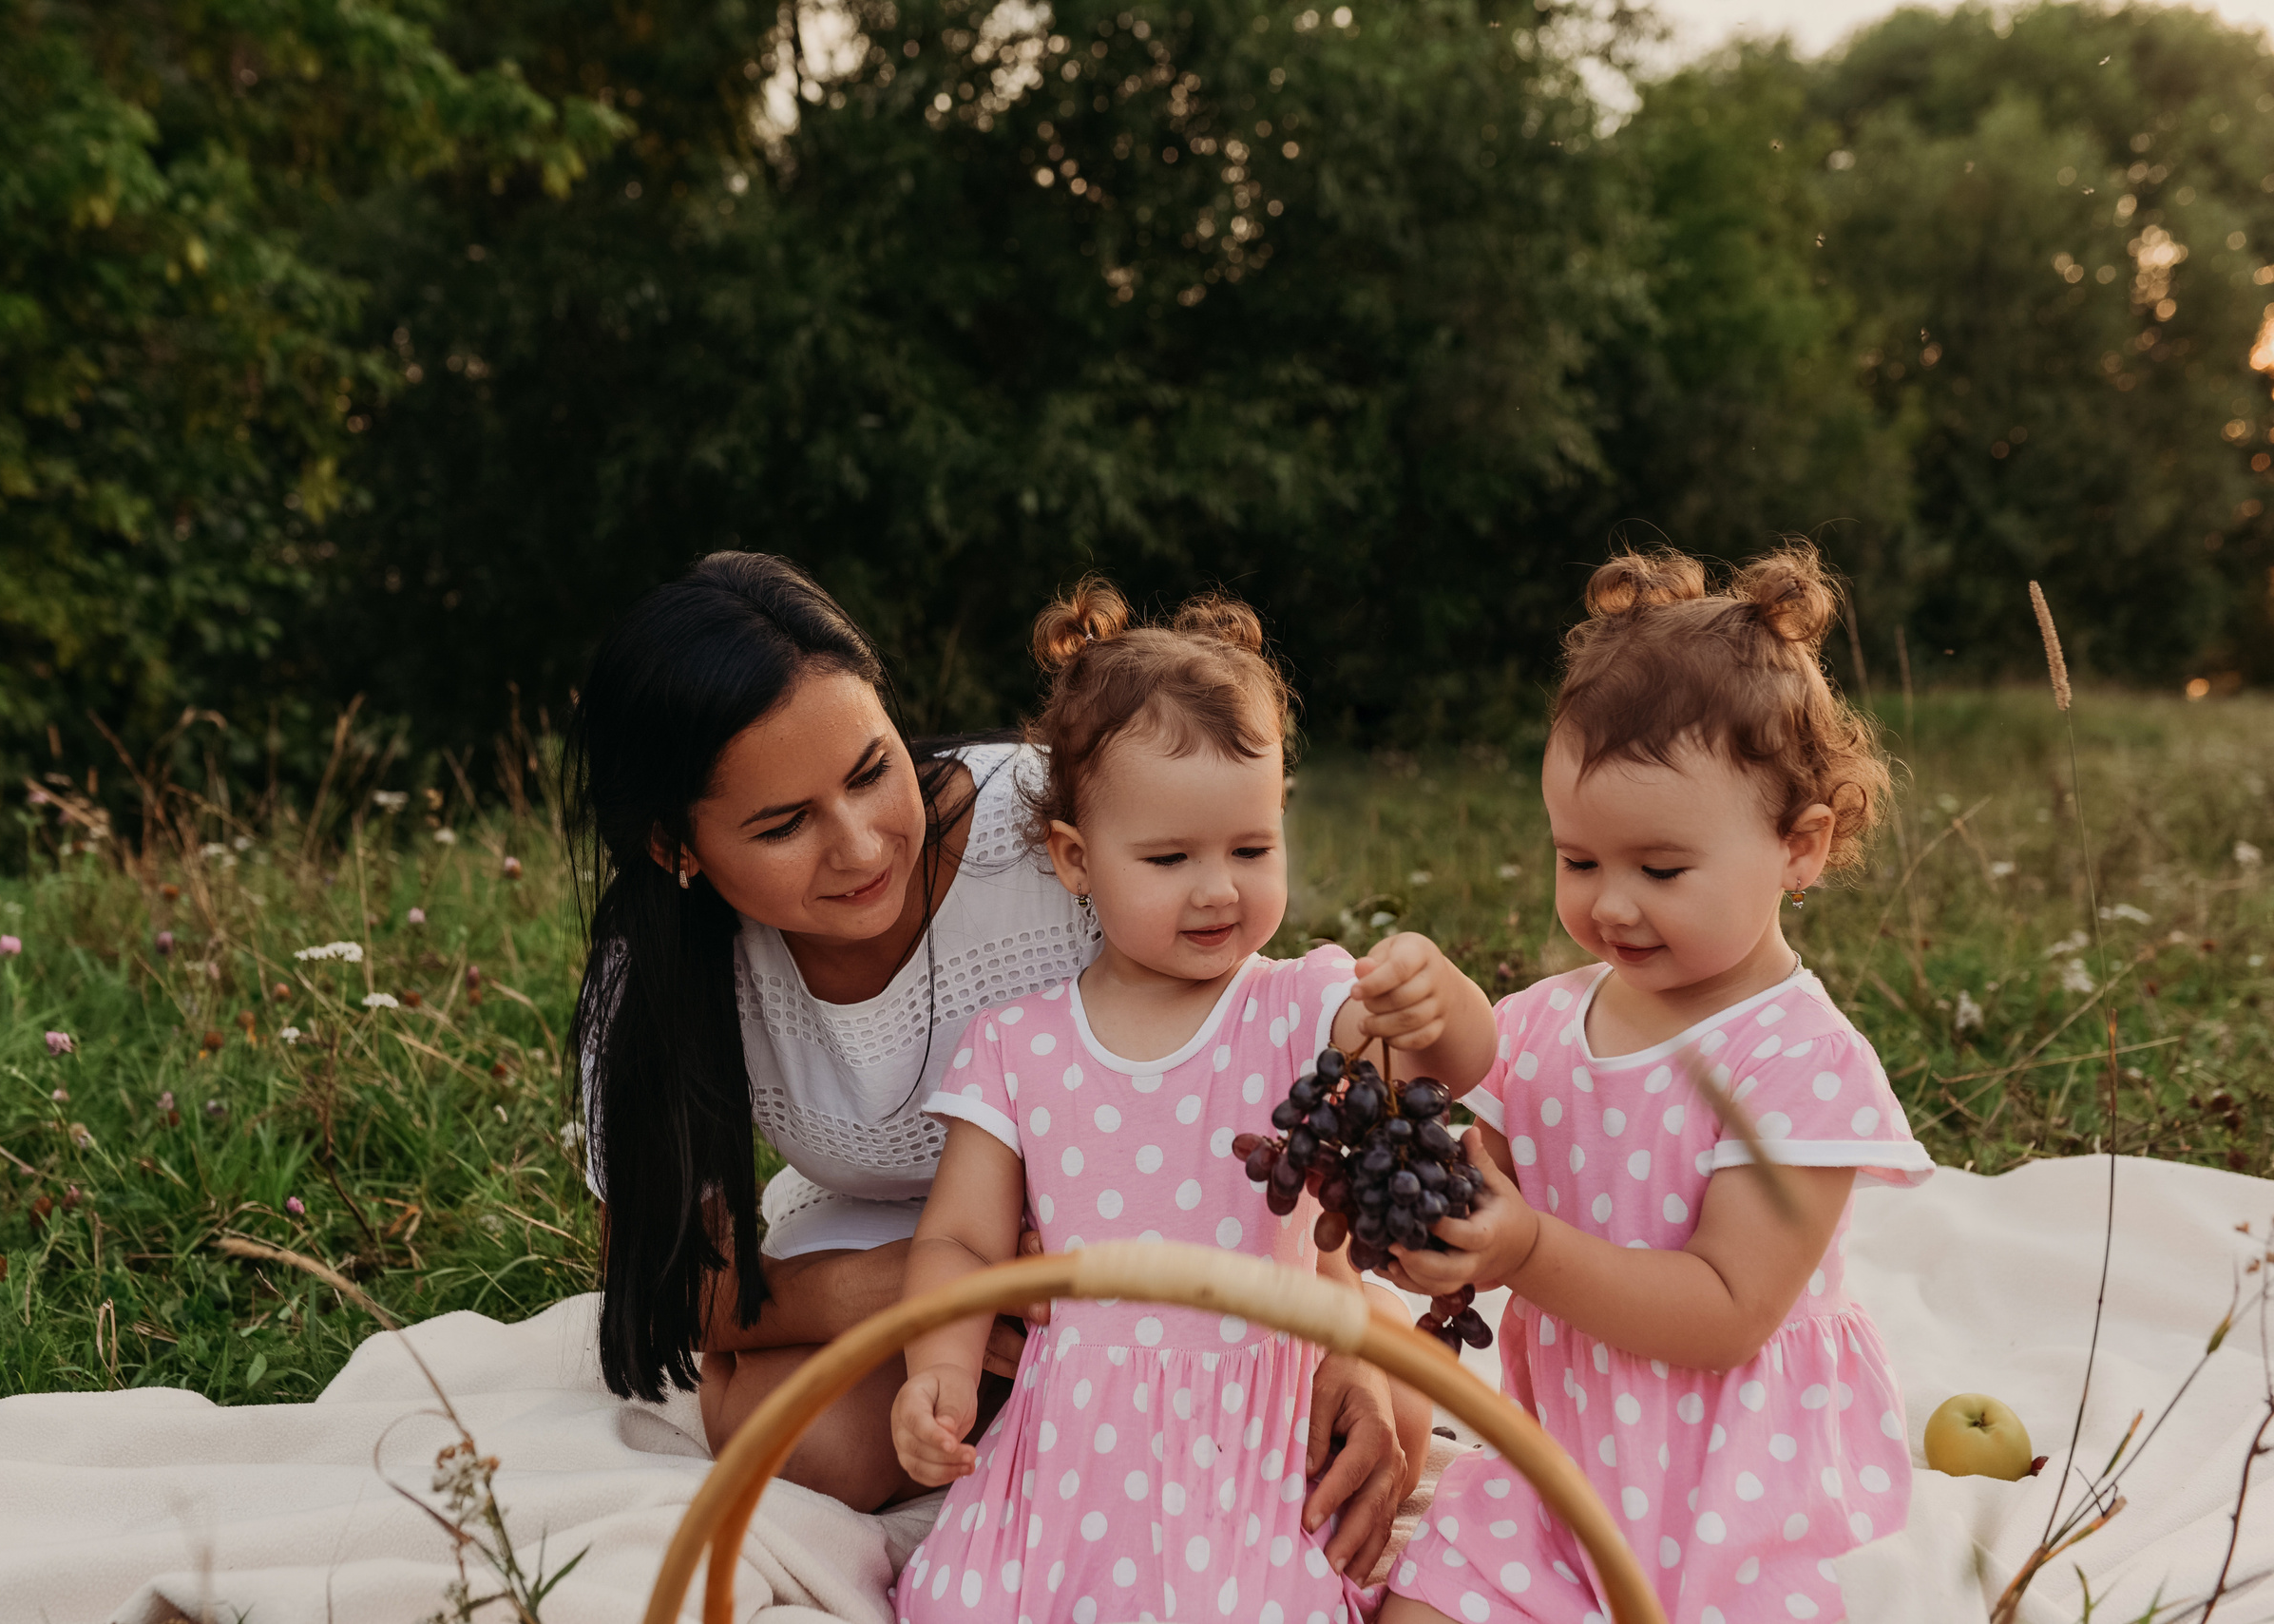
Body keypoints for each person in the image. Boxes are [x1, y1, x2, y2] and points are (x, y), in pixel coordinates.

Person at [564, 552, 1427, 1562]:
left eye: (869, 769)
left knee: (1378, 1421)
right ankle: (1032, 1397)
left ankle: (1077, 1392)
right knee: (819, 1447)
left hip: (1161, 1204)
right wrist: (911, 1286)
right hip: (894, 1240)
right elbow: (676, 1285)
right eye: (784, 823)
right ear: (678, 846)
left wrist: (1343, 1331)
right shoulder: (658, 978)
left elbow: (1261, 1066)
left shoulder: (1047, 828)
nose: (859, 845)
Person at [886, 581, 1499, 1622]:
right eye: (1170, 858)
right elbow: (958, 1240)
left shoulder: (1304, 1004)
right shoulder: (1020, 1043)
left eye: (1250, 849)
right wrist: (936, 1366)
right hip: (1075, 1433)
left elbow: (1455, 1063)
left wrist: (1432, 996)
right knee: (970, 1602)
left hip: (1251, 1425)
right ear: (1076, 858)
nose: (1218, 888)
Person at [1376, 545, 1935, 1624]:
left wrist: (1528, 1247)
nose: (1612, 906)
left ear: (1800, 845)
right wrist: (1433, 1205)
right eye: (1578, 861)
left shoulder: (1798, 1064)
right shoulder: (1539, 1025)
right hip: (1557, 1474)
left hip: (1736, 1492)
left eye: (1661, 869)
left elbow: (1727, 1311)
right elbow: (1474, 1208)